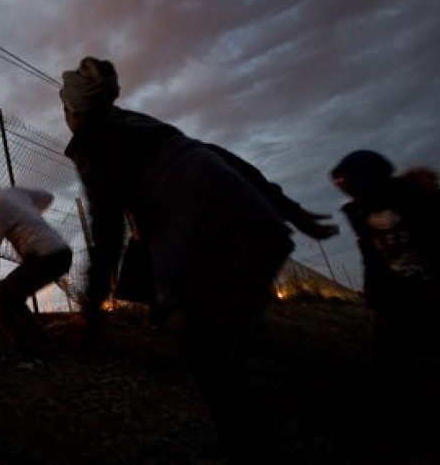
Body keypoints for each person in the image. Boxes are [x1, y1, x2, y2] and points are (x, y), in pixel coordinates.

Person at [59, 56, 338, 465]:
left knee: (214, 365)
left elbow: (106, 230)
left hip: (201, 241)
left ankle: (253, 449)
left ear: (73, 112)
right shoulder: (143, 125)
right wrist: (289, 209)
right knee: (224, 352)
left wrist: (91, 312)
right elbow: (221, 156)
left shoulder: (95, 143)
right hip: (253, 223)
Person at [330, 150, 439, 420]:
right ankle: (411, 417)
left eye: (344, 180)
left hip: (423, 292)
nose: (342, 188)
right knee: (390, 359)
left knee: (391, 359)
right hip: (403, 299)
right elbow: (374, 262)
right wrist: (376, 303)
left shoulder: (411, 202)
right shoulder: (364, 211)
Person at [0, 170, 72, 367]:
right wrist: (28, 214)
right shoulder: (13, 193)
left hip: (45, 256)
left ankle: (32, 355)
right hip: (61, 252)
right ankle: (44, 343)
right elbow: (47, 197)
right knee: (12, 296)